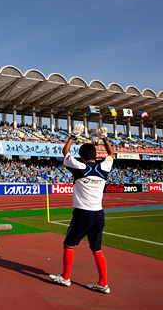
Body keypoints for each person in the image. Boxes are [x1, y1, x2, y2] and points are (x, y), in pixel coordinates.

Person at [49, 124, 115, 294]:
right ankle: (103, 283)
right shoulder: (104, 168)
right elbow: (111, 154)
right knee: (97, 249)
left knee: (69, 245)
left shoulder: (80, 168)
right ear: (95, 156)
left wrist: (72, 136)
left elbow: (65, 153)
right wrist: (105, 138)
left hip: (82, 214)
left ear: (82, 156)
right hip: (99, 214)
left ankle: (65, 277)